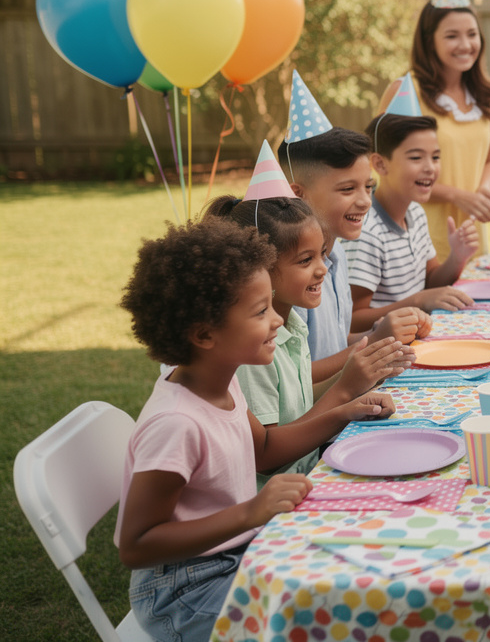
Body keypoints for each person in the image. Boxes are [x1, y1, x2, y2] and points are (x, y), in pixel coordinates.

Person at [116, 218, 395, 642]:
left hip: (236, 551)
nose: (277, 322)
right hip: (183, 589)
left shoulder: (222, 379)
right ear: (205, 334)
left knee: (358, 564)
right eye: (261, 311)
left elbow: (263, 447)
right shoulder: (176, 424)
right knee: (327, 619)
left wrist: (346, 411)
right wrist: (251, 512)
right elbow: (136, 546)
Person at [205, 194, 413, 478]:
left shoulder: (290, 322)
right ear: (261, 270)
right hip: (275, 501)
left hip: (310, 473)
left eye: (322, 254)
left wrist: (358, 382)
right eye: (306, 260)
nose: (323, 268)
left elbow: (298, 401)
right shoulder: (252, 350)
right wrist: (344, 391)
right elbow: (268, 458)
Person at [277, 127, 431, 382]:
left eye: (368, 187)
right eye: (348, 189)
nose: (365, 201)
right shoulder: (291, 274)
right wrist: (374, 342)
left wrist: (376, 334)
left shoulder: (337, 252)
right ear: (298, 195)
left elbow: (335, 344)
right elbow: (296, 377)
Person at [379, 4, 490, 260]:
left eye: (471, 34)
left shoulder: (486, 95)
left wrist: (483, 192)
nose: (465, 44)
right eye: (451, 36)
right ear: (428, 41)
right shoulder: (404, 92)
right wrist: (457, 196)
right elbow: (387, 169)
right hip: (417, 236)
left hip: (471, 236)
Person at [346, 113, 478, 333]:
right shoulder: (367, 232)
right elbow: (352, 319)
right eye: (416, 158)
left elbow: (431, 281)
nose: (430, 168)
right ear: (380, 164)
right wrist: (418, 301)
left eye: (435, 157)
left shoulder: (415, 212)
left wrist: (458, 257)